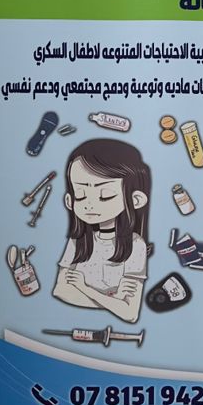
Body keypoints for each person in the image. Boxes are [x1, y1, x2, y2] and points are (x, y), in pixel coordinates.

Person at [53, 138, 151, 324]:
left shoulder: (135, 245)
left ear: (136, 200)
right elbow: (61, 291)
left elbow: (130, 313)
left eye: (105, 196)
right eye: (80, 195)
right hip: (72, 321)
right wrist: (114, 300)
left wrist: (84, 288)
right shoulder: (78, 240)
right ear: (70, 201)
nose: (89, 205)